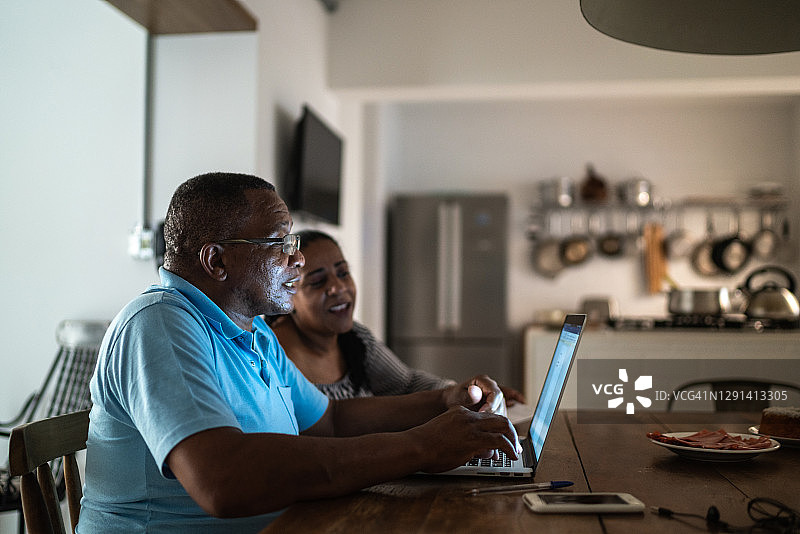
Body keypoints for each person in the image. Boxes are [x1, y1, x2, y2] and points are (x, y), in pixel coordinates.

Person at [77, 172, 520, 533]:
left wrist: (442, 401)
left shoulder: (255, 332)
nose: (298, 260)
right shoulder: (159, 325)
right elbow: (222, 481)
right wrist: (418, 447)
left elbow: (329, 421)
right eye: (281, 244)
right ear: (216, 262)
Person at [270, 230, 526, 406]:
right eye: (317, 281)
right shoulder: (273, 356)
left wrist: (466, 393)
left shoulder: (355, 339)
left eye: (343, 273)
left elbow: (406, 384)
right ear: (288, 295)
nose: (338, 287)